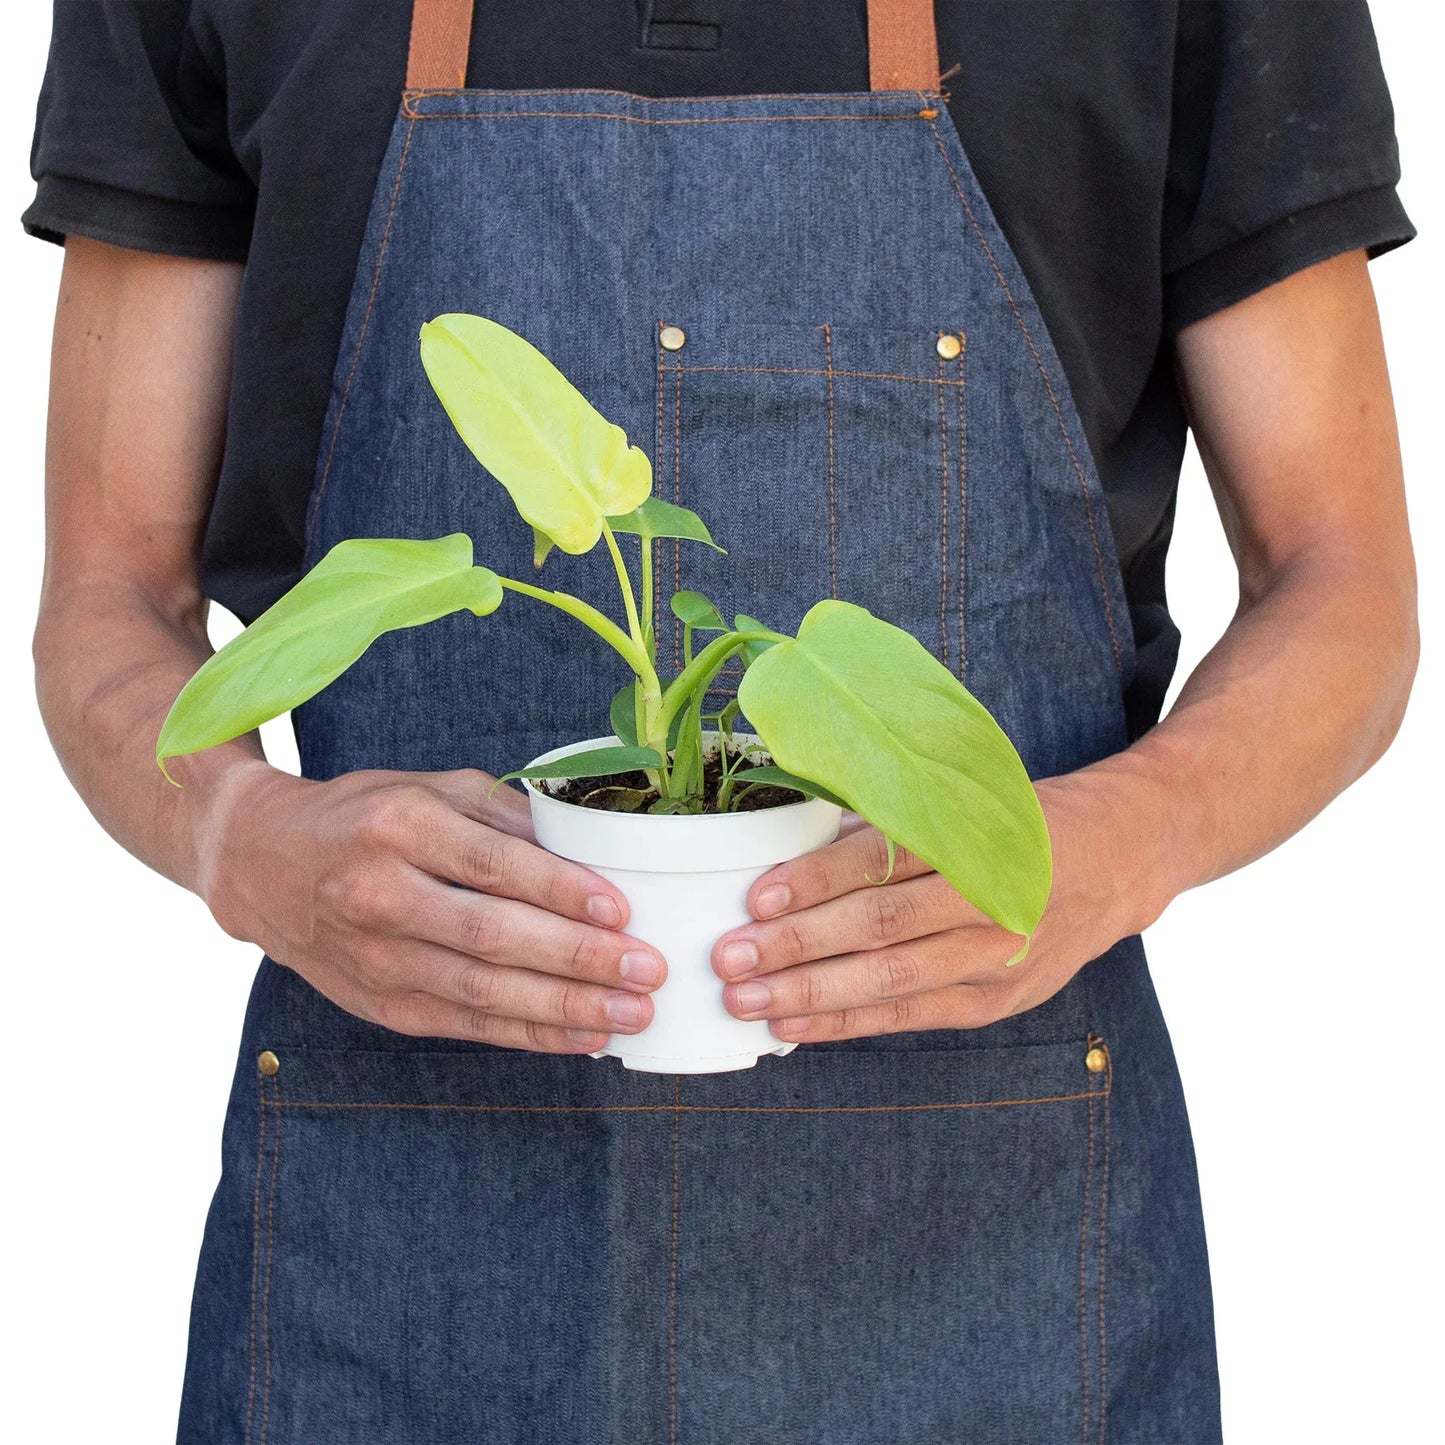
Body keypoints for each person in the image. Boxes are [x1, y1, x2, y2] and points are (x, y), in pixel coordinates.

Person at [24, 1, 1417, 1441]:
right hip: (398, 1233)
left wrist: (1130, 832)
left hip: (995, 1251)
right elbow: (111, 586)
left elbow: (1344, 576)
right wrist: (237, 836)